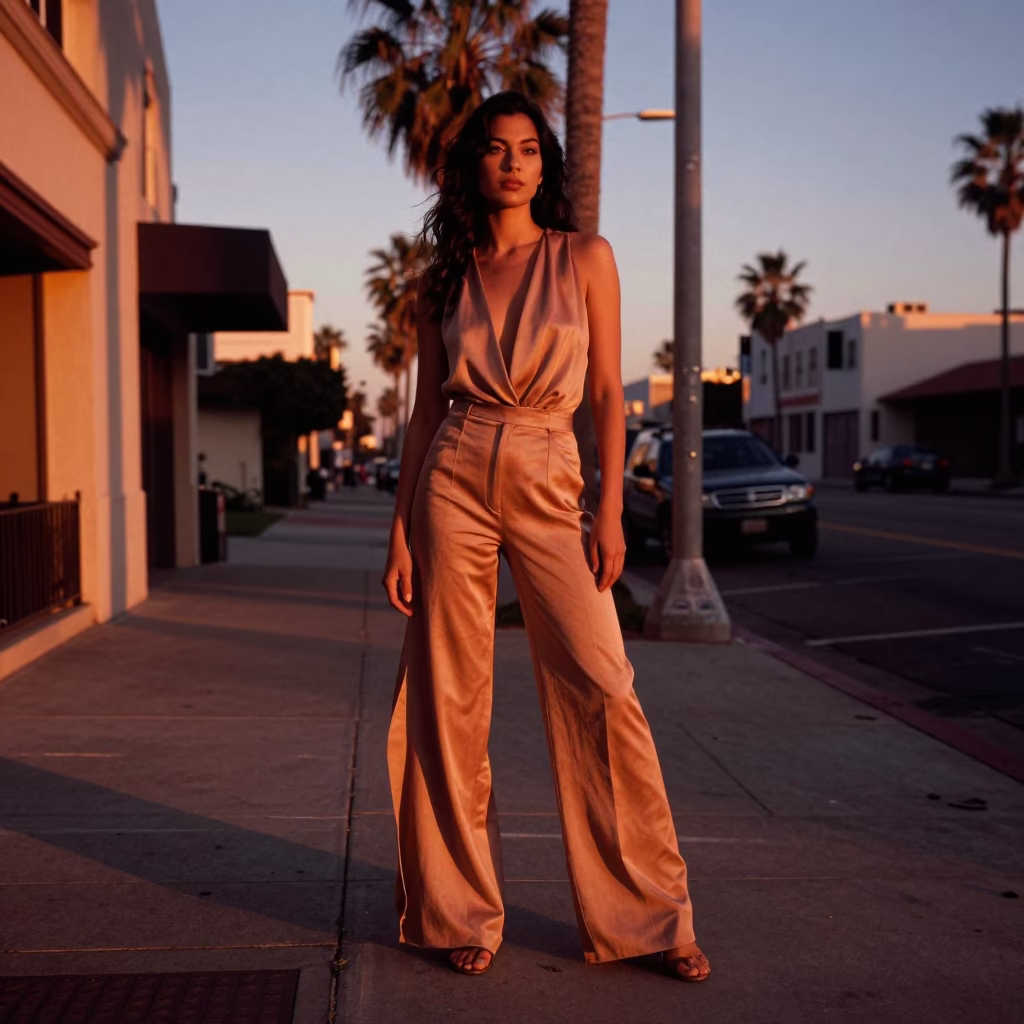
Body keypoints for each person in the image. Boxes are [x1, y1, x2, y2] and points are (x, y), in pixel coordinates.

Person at [381, 90, 710, 984]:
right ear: (474, 166)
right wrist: (401, 533)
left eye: (529, 148)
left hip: (549, 466)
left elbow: (608, 391)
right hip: (453, 469)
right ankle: (457, 911)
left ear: (546, 165)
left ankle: (649, 918)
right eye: (496, 148)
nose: (514, 162)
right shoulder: (441, 280)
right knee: (448, 697)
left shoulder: (585, 258)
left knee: (603, 683)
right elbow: (421, 415)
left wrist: (606, 510)